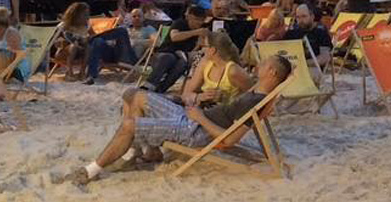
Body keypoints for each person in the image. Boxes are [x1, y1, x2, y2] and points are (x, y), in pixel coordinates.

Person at [68, 53, 291, 185]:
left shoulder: (255, 101)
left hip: (194, 130)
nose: (259, 64)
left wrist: (200, 116)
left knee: (129, 125)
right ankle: (137, 151)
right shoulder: (256, 89)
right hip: (192, 116)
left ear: (271, 73)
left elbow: (230, 140)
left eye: (264, 64)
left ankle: (90, 171)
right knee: (133, 95)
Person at [144, 6, 211, 93]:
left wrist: (199, 44)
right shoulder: (180, 23)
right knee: (169, 58)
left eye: (201, 20)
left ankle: (160, 89)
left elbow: (193, 51)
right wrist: (195, 32)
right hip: (164, 53)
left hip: (182, 57)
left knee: (182, 64)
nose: (198, 22)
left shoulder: (201, 30)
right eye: (196, 19)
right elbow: (174, 37)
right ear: (189, 17)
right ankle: (149, 86)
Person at [51, 2, 93, 80]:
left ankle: (82, 72)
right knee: (73, 47)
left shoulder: (86, 26)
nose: (87, 17)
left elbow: (93, 37)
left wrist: (87, 39)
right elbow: (54, 41)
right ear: (76, 15)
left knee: (88, 47)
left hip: (80, 52)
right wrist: (62, 41)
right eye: (84, 14)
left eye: (87, 14)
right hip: (64, 52)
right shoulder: (64, 25)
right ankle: (69, 72)